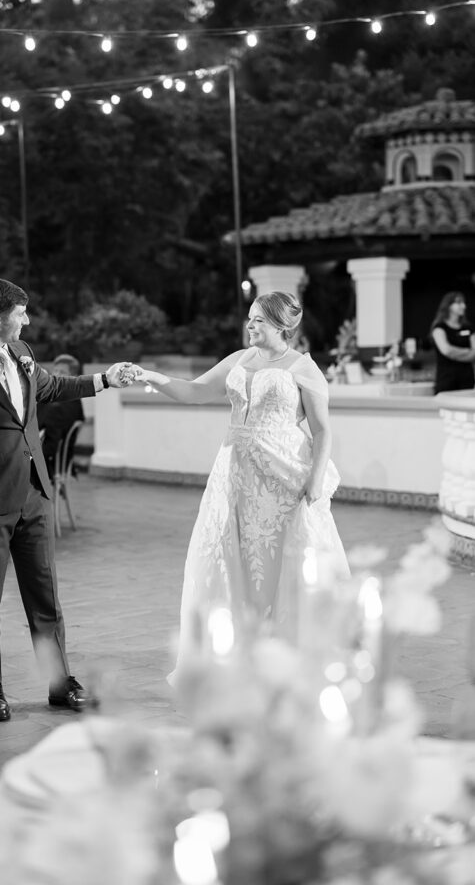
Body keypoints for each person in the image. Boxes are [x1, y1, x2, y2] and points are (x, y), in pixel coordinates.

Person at [0, 278, 136, 722]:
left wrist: (104, 380)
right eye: (22, 313)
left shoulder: (22, 353)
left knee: (45, 596)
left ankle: (60, 683)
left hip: (35, 494)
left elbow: (52, 388)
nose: (28, 319)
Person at [133, 291, 349, 685]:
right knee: (226, 557)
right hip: (233, 475)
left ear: (283, 326)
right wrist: (151, 377)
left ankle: (284, 658)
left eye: (259, 321)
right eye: (250, 319)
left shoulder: (304, 369)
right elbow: (194, 391)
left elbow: (322, 431)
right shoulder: (238, 360)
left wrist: (316, 480)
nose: (250, 326)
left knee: (277, 563)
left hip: (280, 478)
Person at [37, 353, 86, 480]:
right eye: (55, 370)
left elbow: (51, 444)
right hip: (60, 455)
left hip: (52, 459)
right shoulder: (74, 398)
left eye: (62, 372)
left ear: (73, 377)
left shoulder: (58, 405)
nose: (57, 374)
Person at [430, 291, 475, 394]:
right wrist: (468, 352)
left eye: (464, 303)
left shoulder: (468, 328)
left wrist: (455, 353)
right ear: (449, 306)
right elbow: (446, 350)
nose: (463, 306)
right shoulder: (439, 328)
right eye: (459, 303)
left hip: (467, 380)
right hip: (446, 380)